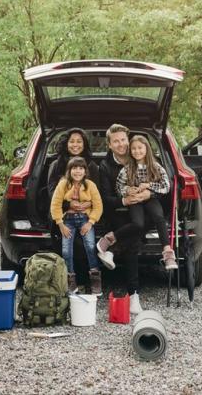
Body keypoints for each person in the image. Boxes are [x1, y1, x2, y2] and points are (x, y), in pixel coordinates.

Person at [97, 124, 151, 314]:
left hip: (144, 207)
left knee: (137, 225)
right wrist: (124, 200)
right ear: (109, 145)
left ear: (128, 139)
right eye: (116, 141)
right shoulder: (104, 166)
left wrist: (148, 195)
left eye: (123, 140)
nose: (121, 144)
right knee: (133, 239)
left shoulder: (140, 155)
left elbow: (161, 185)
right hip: (119, 210)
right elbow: (105, 198)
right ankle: (134, 294)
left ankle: (110, 244)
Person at [116, 135, 178, 270]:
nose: (137, 151)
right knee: (138, 223)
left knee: (159, 217)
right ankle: (111, 237)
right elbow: (119, 187)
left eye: (140, 148)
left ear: (147, 149)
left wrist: (149, 186)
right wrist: (128, 190)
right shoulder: (127, 168)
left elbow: (166, 186)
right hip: (135, 201)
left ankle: (168, 253)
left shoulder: (155, 166)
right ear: (130, 151)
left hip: (151, 198)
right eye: (133, 149)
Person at [50, 156, 103, 296]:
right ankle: (70, 281)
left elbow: (98, 206)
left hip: (85, 219)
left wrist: (90, 222)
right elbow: (55, 205)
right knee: (66, 251)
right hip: (68, 220)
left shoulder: (90, 185)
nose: (77, 171)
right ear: (69, 170)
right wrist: (60, 225)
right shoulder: (63, 184)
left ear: (85, 171)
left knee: (91, 247)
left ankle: (95, 280)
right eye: (74, 168)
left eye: (81, 168)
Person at [48, 127, 99, 199]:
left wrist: (87, 204)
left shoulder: (91, 165)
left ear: (84, 144)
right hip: (60, 206)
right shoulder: (56, 165)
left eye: (79, 141)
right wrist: (69, 204)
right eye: (72, 141)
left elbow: (96, 192)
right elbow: (52, 193)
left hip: (86, 207)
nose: (75, 145)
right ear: (66, 144)